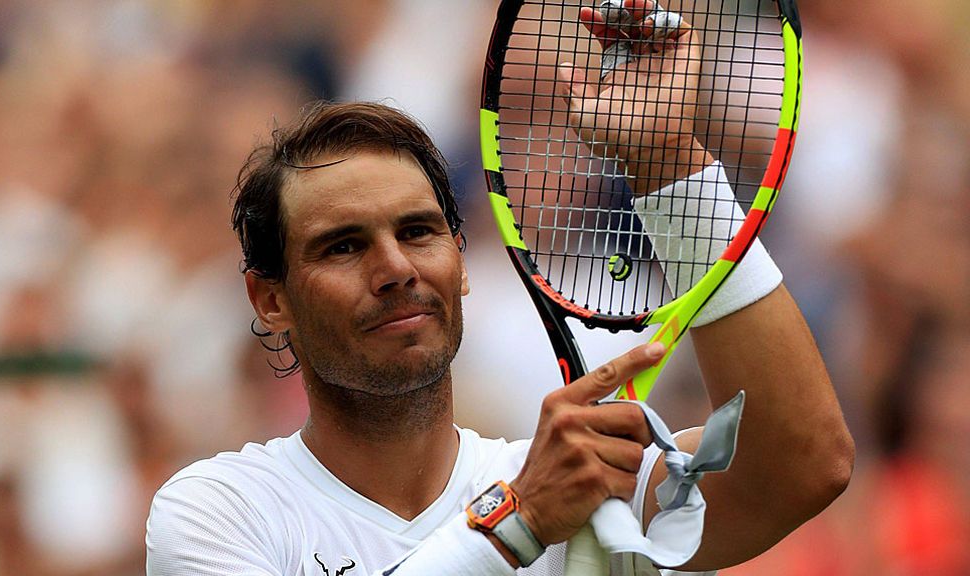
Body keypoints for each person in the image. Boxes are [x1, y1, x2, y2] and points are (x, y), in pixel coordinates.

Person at [146, 4, 853, 575]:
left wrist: (669, 166)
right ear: (270, 299)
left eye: (419, 232)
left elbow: (802, 462)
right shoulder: (216, 510)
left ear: (460, 259)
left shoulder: (569, 482)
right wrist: (516, 523)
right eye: (344, 246)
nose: (395, 267)